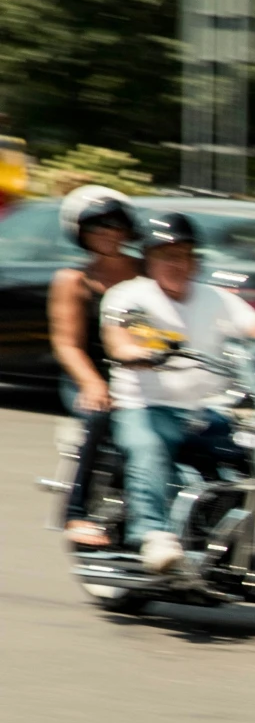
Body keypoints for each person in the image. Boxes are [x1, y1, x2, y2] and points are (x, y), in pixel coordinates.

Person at [100, 210, 255, 575]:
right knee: (148, 446)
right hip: (146, 406)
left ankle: (244, 539)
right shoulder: (131, 297)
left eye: (184, 255)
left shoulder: (216, 299)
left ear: (195, 260)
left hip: (205, 410)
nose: (177, 263)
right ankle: (154, 536)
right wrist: (135, 353)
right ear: (150, 259)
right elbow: (119, 336)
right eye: (167, 255)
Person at [49, 186, 142, 548]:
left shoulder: (149, 270)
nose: (107, 233)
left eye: (115, 225)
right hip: (90, 376)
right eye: (97, 226)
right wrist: (93, 384)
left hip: (145, 373)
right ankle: (75, 512)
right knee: (101, 417)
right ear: (80, 231)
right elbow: (67, 344)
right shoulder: (73, 280)